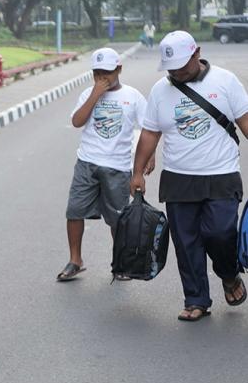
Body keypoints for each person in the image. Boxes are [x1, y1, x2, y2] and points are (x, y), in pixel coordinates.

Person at [132, 30, 248, 321]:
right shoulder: (160, 89)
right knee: (186, 242)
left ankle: (228, 274)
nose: (177, 73)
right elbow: (149, 132)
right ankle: (196, 299)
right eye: (172, 69)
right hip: (179, 177)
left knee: (221, 234)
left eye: (182, 66)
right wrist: (137, 172)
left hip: (221, 173)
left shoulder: (225, 82)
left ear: (197, 54)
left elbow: (246, 121)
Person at [56, 48, 151, 281]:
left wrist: (149, 156)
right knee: (74, 210)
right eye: (97, 73)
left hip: (118, 167)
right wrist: (95, 95)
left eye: (107, 72)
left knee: (118, 218)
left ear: (119, 69)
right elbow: (77, 121)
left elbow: (149, 128)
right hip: (87, 162)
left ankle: (120, 263)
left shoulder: (133, 96)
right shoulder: (89, 93)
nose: (102, 78)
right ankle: (75, 260)